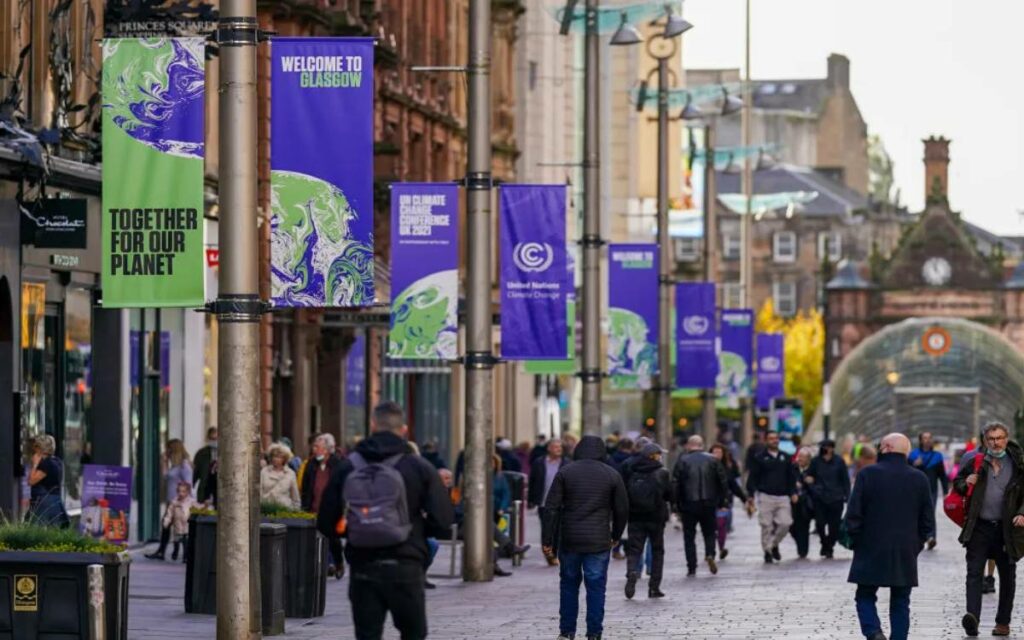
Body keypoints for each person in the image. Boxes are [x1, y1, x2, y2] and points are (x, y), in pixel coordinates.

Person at [316, 401, 454, 640]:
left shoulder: (349, 466)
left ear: (372, 425)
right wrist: (414, 529)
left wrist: (359, 530)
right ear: (404, 429)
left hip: (363, 564)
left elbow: (325, 522)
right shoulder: (419, 467)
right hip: (406, 563)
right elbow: (443, 520)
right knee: (413, 634)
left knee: (367, 634)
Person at [844, 433, 933, 640]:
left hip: (870, 544)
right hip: (905, 548)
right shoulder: (919, 478)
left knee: (865, 594)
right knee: (901, 599)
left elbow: (854, 512)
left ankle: (874, 632)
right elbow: (927, 520)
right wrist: (917, 544)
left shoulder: (868, 474)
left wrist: (856, 539)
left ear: (885, 447)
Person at [542, 435, 628, 640]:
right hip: (599, 539)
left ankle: (566, 631)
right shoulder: (611, 474)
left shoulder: (565, 472)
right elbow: (622, 509)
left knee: (569, 585)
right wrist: (615, 536)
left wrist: (548, 540)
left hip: (570, 539)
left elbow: (551, 508)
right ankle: (594, 633)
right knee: (596, 587)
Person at [953, 421, 1024, 637]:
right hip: (979, 527)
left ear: (1006, 438)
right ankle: (972, 617)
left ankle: (1003, 622)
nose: (996, 442)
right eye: (991, 439)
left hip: (1007, 529)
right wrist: (967, 481)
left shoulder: (1018, 462)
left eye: (1000, 437)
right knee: (974, 572)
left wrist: (1022, 512)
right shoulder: (975, 461)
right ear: (985, 440)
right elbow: (957, 483)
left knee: (1007, 575)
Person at [673, 435, 729, 576]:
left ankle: (691, 566)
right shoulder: (713, 460)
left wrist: (675, 504)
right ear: (702, 445)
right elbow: (723, 482)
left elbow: (675, 484)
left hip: (688, 503)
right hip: (709, 502)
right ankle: (710, 553)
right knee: (709, 532)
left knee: (689, 536)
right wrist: (722, 500)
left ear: (688, 445)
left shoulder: (682, 461)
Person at [623, 442, 672, 599]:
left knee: (634, 549)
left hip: (635, 516)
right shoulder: (662, 472)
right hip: (656, 518)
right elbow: (670, 495)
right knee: (657, 551)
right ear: (654, 456)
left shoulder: (632, 470)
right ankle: (654, 587)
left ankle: (632, 571)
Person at [746, 430, 798, 563]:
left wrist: (793, 492)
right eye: (771, 438)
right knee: (766, 526)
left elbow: (791, 477)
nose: (774, 440)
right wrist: (750, 494)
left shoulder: (786, 457)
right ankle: (767, 552)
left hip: (783, 496)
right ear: (766, 441)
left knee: (786, 523)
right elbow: (753, 477)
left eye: (776, 438)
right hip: (765, 496)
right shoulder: (759, 458)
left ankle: (773, 545)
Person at [146, 439, 192, 560]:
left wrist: (183, 500)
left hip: (179, 502)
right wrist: (164, 462)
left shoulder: (184, 465)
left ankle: (174, 553)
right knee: (168, 526)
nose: (167, 451)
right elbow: (167, 477)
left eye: (169, 449)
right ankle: (166, 552)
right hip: (172, 500)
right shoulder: (175, 465)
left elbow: (188, 483)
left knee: (177, 527)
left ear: (174, 449)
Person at [806, 438, 850, 559]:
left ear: (832, 448)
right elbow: (809, 476)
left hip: (836, 498)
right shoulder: (815, 461)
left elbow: (845, 480)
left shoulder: (839, 461)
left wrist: (848, 495)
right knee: (819, 524)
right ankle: (824, 543)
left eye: (827, 447)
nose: (825, 449)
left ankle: (829, 547)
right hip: (820, 498)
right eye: (823, 447)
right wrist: (813, 488)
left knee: (834, 526)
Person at [529, 438, 569, 566]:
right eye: (556, 447)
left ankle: (554, 553)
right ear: (549, 448)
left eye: (560, 447)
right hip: (543, 502)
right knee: (546, 528)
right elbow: (533, 482)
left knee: (558, 529)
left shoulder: (567, 463)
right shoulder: (539, 463)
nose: (559, 449)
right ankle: (547, 552)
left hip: (560, 503)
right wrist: (531, 500)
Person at [908, 431, 949, 550]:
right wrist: (914, 465)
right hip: (915, 490)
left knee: (930, 513)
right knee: (917, 514)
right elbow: (906, 472)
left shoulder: (937, 456)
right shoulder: (913, 455)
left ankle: (931, 537)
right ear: (920, 440)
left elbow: (942, 475)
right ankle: (919, 537)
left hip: (932, 489)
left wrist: (946, 491)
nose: (927, 440)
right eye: (924, 438)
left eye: (929, 438)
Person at [709, 443, 747, 560]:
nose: (716, 455)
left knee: (721, 525)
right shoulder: (705, 467)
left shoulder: (727, 467)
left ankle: (721, 548)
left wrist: (744, 498)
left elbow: (733, 485)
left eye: (719, 452)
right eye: (714, 452)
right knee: (710, 527)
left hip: (723, 501)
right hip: (708, 501)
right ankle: (710, 552)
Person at [25, 434, 69, 528]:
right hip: (54, 501)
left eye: (35, 447)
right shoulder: (57, 461)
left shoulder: (46, 463)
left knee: (34, 532)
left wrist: (35, 464)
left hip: (44, 503)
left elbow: (31, 481)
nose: (34, 450)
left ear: (40, 449)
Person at [790, 447, 815, 559]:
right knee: (791, 526)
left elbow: (817, 484)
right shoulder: (793, 468)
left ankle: (803, 551)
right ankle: (800, 544)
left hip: (807, 503)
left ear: (808, 459)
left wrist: (809, 482)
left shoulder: (813, 470)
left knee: (804, 526)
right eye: (799, 456)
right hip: (793, 501)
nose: (799, 459)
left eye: (802, 457)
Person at [161, 481, 195, 562]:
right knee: (176, 541)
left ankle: (185, 557)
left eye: (183, 491)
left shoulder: (191, 502)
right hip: (177, 526)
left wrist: (205, 506)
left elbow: (198, 508)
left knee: (185, 542)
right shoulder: (174, 502)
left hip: (186, 526)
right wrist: (166, 521)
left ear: (188, 492)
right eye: (179, 491)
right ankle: (175, 552)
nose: (181, 493)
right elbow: (169, 514)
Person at [261, 442, 301, 510]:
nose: (275, 459)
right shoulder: (264, 471)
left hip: (285, 511)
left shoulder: (290, 474)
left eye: (279, 457)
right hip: (266, 509)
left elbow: (295, 497)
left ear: (284, 459)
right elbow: (259, 492)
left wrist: (296, 513)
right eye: (274, 456)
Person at [192, 427, 218, 504]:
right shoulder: (201, 453)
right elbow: (195, 471)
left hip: (219, 487)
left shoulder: (225, 452)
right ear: (208, 438)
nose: (214, 441)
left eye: (216, 438)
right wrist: (191, 486)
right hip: (205, 486)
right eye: (212, 439)